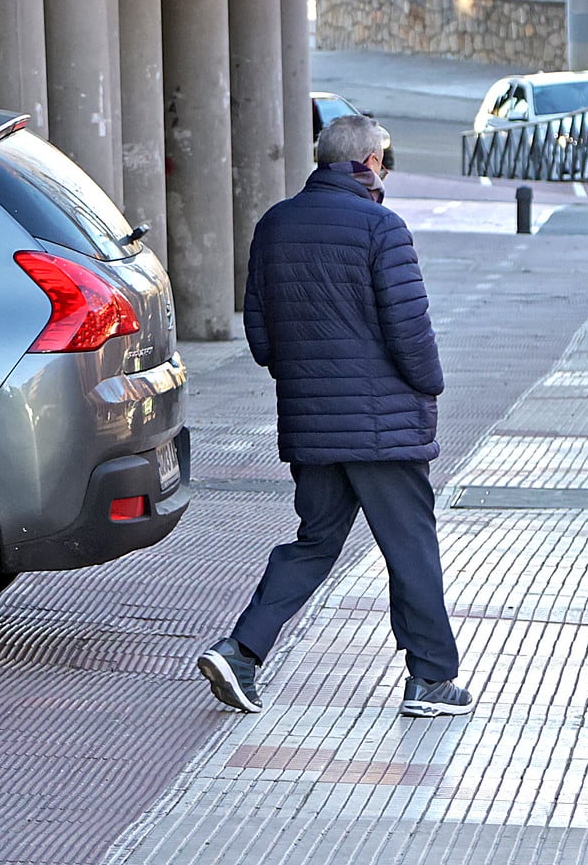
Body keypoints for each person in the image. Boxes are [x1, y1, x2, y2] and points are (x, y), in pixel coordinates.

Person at [197, 115, 473, 720]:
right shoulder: (382, 228)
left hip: (311, 423)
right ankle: (430, 679)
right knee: (411, 548)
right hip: (382, 428)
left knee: (316, 542)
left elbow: (263, 338)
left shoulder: (275, 225)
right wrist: (430, 386)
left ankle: (240, 650)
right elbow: (411, 332)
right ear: (371, 162)